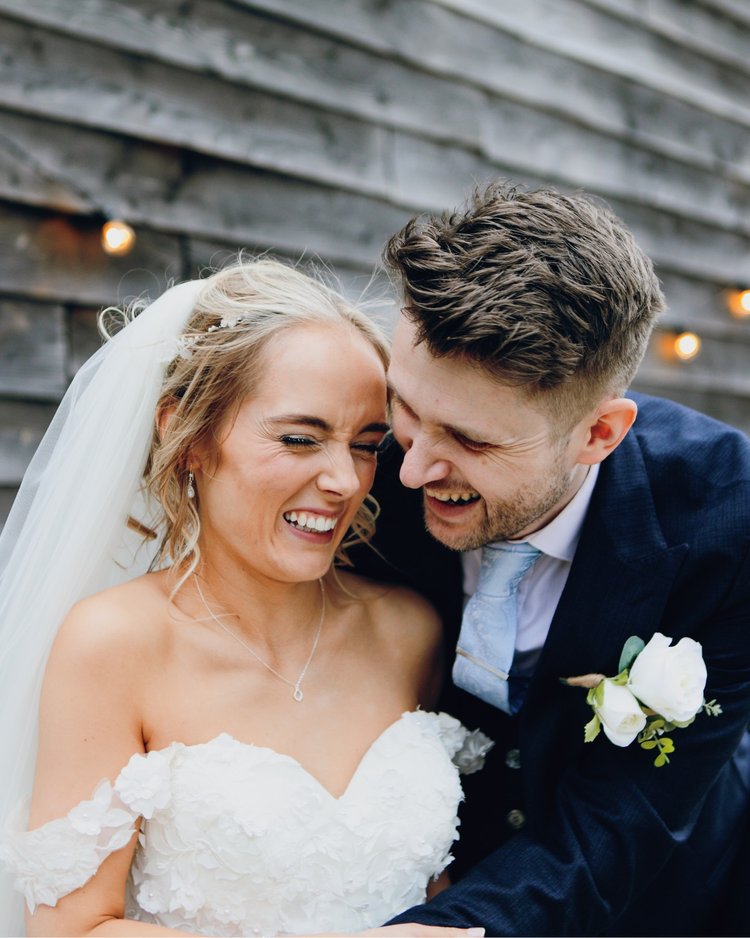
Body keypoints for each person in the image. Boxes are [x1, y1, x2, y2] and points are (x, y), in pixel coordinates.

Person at [0, 258, 488, 937]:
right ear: (189, 435)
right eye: (300, 438)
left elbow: (426, 882)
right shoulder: (115, 643)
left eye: (366, 444)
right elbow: (71, 929)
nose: (345, 480)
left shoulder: (409, 631)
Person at [351, 182, 750, 936]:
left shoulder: (729, 520)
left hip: (668, 902)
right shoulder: (367, 461)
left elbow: (628, 816)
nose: (410, 471)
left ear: (599, 434)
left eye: (471, 441)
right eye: (408, 408)